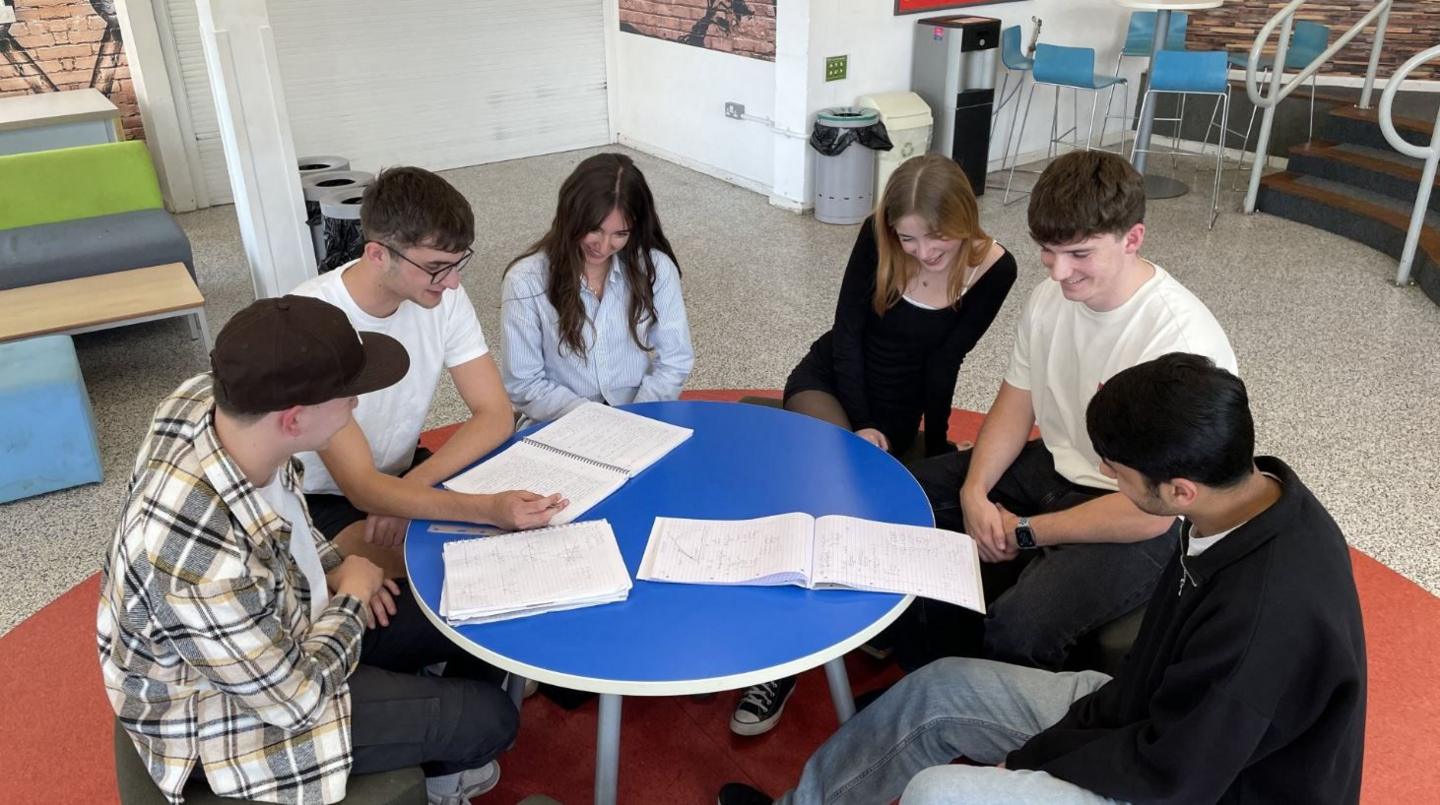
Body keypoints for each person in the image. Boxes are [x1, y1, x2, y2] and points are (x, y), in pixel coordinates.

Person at [719, 352, 1367, 805]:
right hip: (1160, 719)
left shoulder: (1264, 618)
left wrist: (1037, 760)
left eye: (1119, 473)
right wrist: (1059, 742)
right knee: (938, 690)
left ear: (1180, 487)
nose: (1112, 482)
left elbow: (1177, 775)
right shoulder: (1243, 498)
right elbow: (1144, 691)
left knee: (938, 795)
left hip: (1203, 786)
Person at [98, 296, 520, 805]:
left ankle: (416, 712)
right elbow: (292, 701)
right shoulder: (202, 561)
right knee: (490, 719)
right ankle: (434, 777)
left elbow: (284, 521)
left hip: (281, 623)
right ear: (294, 420)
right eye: (347, 396)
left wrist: (335, 568)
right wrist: (352, 600)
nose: (355, 406)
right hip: (229, 714)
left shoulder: (211, 402)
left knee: (479, 615)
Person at [901, 150, 1238, 672]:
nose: (1060, 272)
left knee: (1021, 626)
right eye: (1048, 251)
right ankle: (926, 670)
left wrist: (1026, 530)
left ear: (1133, 238)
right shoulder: (1047, 299)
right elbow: (1015, 406)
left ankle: (1007, 720)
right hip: (1055, 467)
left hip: (1141, 509)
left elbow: (1156, 509)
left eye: (1079, 254)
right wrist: (974, 490)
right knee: (901, 501)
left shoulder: (1179, 341)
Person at [731, 154, 1017, 737]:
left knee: (905, 512)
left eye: (936, 240)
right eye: (908, 238)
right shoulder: (877, 234)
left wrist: (934, 447)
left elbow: (946, 364)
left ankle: (867, 623)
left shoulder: (996, 270)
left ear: (964, 220)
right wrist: (862, 426)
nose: (921, 253)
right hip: (833, 383)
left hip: (900, 412)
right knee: (828, 489)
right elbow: (849, 333)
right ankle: (781, 667)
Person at [291, 166, 566, 577]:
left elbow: (495, 415)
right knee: (440, 574)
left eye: (458, 264)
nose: (452, 282)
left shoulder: (442, 296)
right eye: (437, 266)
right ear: (377, 254)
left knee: (519, 551)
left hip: (406, 472)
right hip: (321, 494)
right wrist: (487, 509)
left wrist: (411, 490)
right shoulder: (314, 317)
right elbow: (361, 486)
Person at [501, 152, 693, 425]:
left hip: (641, 416)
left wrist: (635, 420)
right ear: (570, 216)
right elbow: (524, 383)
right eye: (594, 230)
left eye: (620, 234)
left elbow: (675, 360)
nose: (603, 247)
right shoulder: (525, 280)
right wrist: (599, 423)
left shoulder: (656, 269)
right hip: (560, 421)